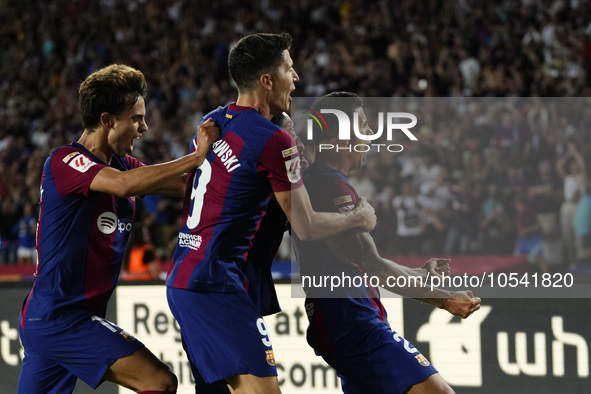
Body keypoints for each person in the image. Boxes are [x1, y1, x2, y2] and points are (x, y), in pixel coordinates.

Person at [166, 33, 376, 394]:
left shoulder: (213, 122)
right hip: (218, 283)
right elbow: (306, 227)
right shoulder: (272, 140)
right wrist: (358, 218)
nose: (296, 78)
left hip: (186, 279)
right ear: (267, 80)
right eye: (289, 69)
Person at [17, 64, 220, 394]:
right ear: (107, 120)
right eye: (136, 118)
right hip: (61, 317)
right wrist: (196, 157)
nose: (144, 127)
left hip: (54, 318)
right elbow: (125, 186)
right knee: (160, 382)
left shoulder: (123, 163)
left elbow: (185, 188)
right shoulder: (65, 160)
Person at [294, 92, 481, 394]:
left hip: (342, 326)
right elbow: (371, 264)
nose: (370, 134)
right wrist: (444, 298)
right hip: (354, 323)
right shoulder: (329, 185)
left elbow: (365, 262)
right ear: (342, 136)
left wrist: (420, 274)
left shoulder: (322, 182)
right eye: (364, 126)